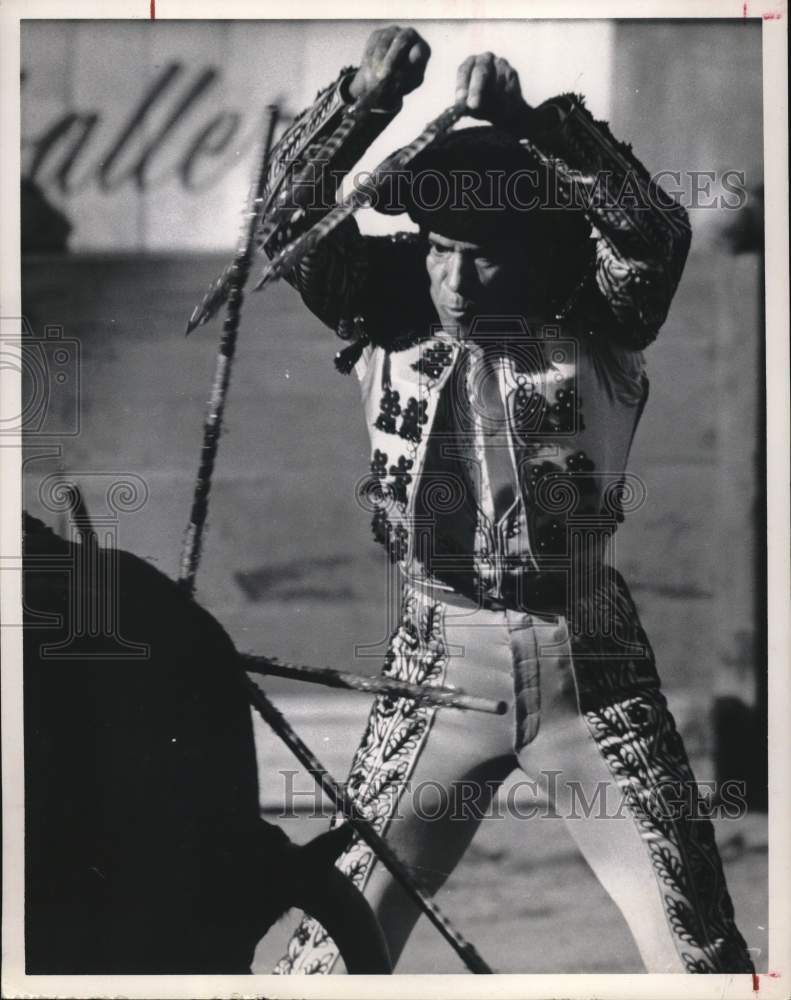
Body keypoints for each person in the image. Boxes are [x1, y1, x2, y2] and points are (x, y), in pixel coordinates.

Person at [248, 26, 754, 974]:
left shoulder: (598, 323)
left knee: (701, 963)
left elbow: (655, 235)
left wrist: (535, 125)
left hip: (590, 673)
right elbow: (284, 220)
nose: (451, 279)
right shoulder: (384, 311)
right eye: (437, 250)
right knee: (324, 962)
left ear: (538, 251)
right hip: (434, 671)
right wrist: (362, 100)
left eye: (480, 255)